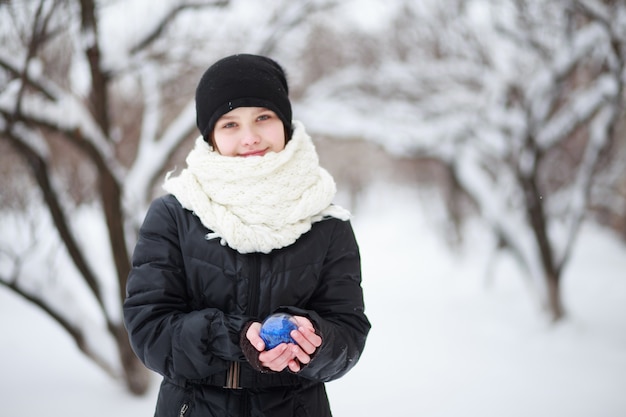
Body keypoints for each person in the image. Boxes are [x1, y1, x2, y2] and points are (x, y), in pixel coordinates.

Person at [123, 54, 370, 417]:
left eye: (263, 118)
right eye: (230, 124)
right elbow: (150, 331)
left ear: (285, 122)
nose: (250, 137)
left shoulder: (327, 220)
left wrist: (313, 340)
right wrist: (237, 337)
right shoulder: (175, 215)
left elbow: (348, 332)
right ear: (210, 136)